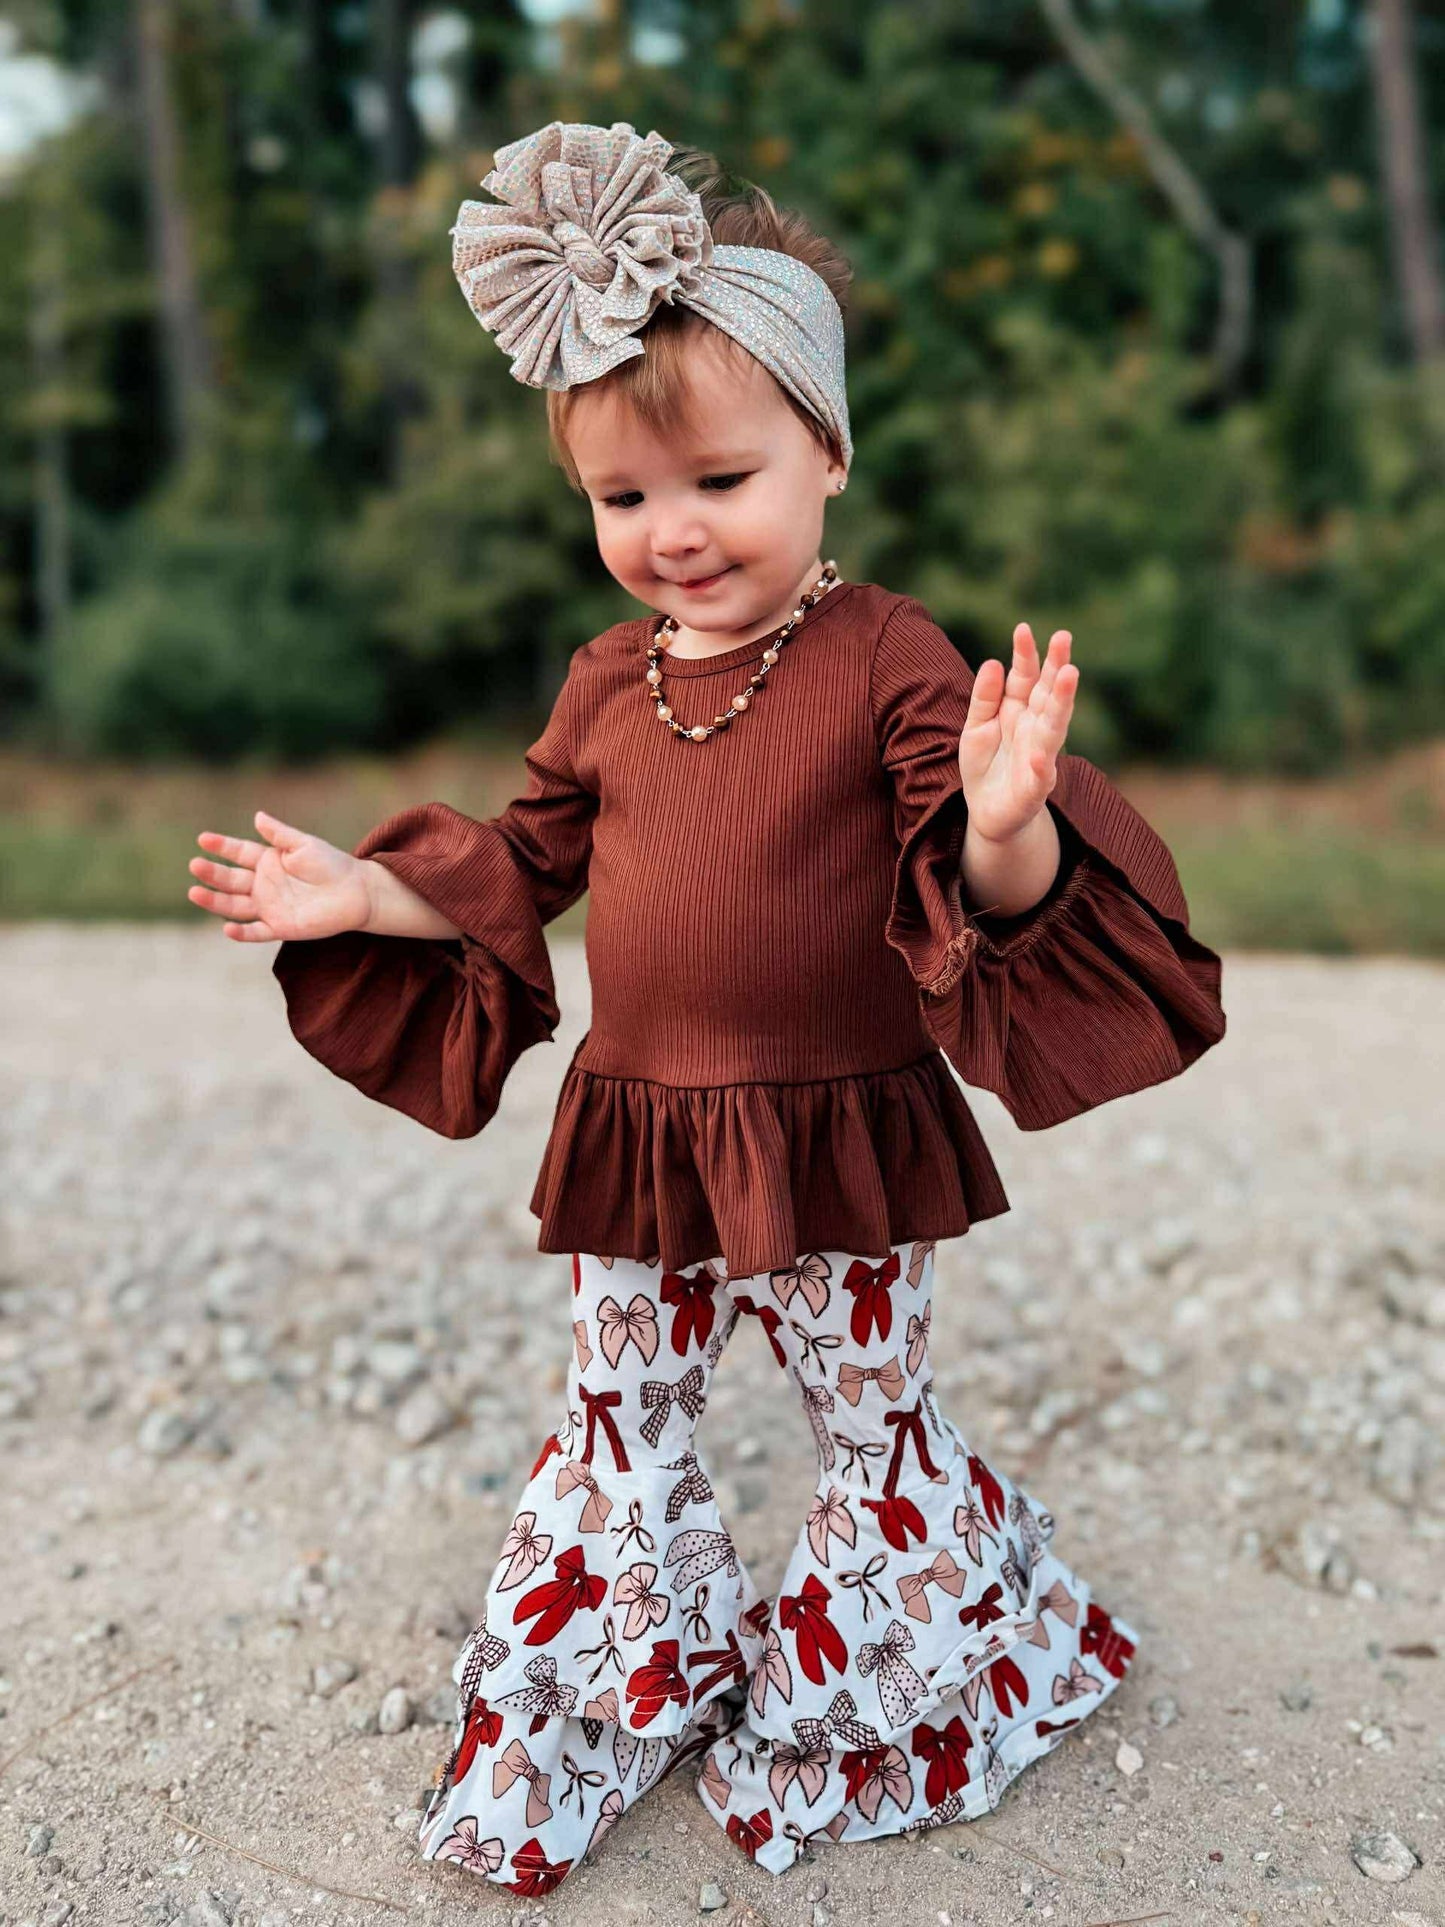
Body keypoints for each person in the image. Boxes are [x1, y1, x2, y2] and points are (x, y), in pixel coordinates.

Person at [186, 120, 1226, 1894]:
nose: (670, 535)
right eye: (620, 498)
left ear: (825, 453)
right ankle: (591, 1714)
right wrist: (366, 896)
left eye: (718, 482)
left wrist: (1000, 826)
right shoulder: (606, 685)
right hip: (645, 1132)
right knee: (615, 1421)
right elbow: (522, 862)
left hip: (845, 1128)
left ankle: (896, 1710)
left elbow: (956, 887)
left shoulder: (886, 653)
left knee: (869, 1422)